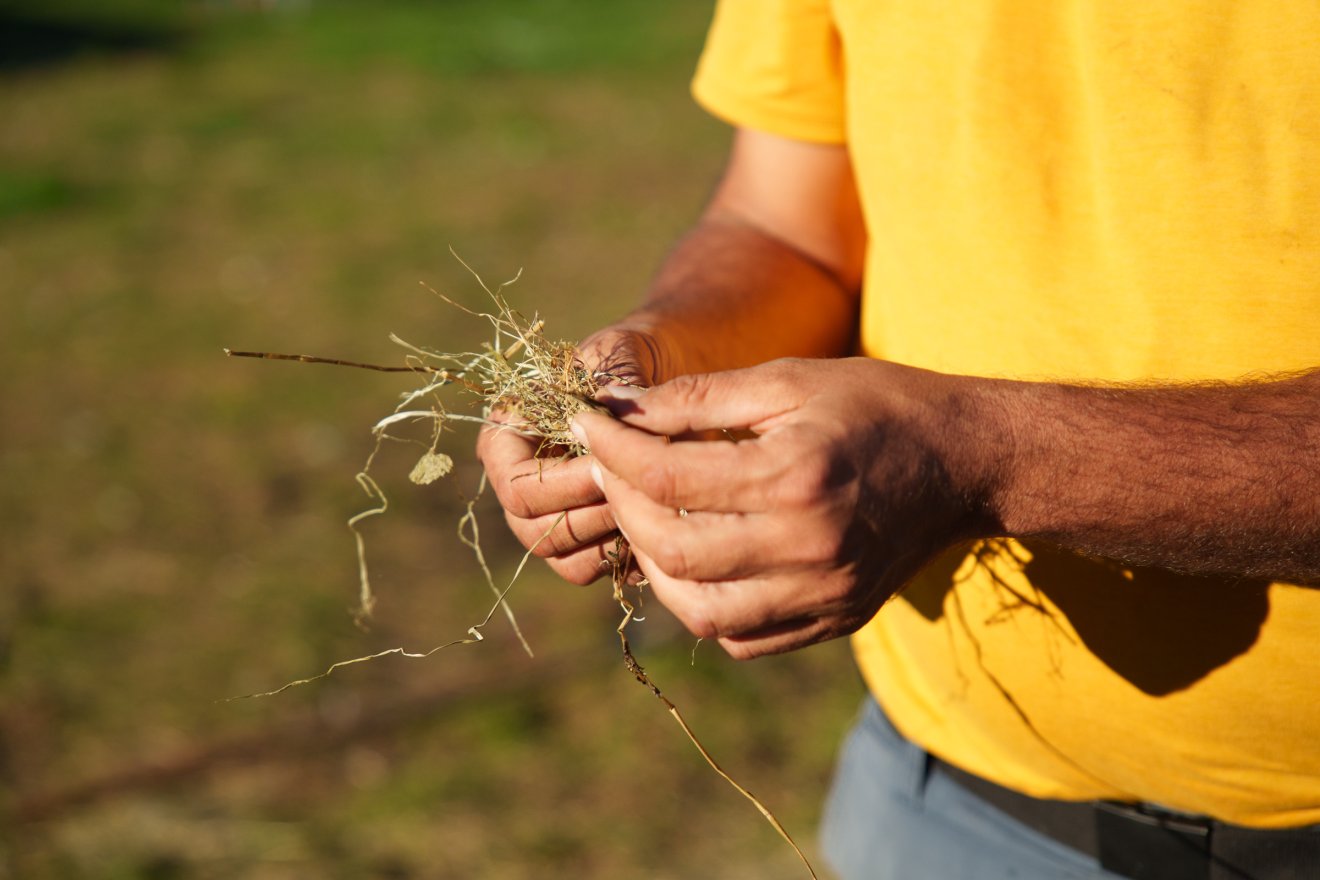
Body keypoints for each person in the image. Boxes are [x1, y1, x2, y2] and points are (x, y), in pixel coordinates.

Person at [477, 2, 1320, 877]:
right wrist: (654, 359)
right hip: (942, 801)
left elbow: (970, 452)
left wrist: (984, 460)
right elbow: (786, 226)